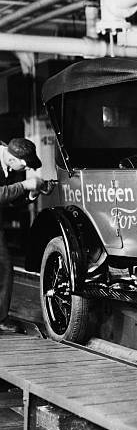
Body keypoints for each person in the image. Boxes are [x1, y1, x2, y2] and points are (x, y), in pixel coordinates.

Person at [0, 138, 44, 333]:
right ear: (12, 159)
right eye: (23, 166)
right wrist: (25, 185)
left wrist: (32, 194)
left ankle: (1, 318)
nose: (23, 169)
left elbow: (8, 201)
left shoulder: (8, 166)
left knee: (3, 266)